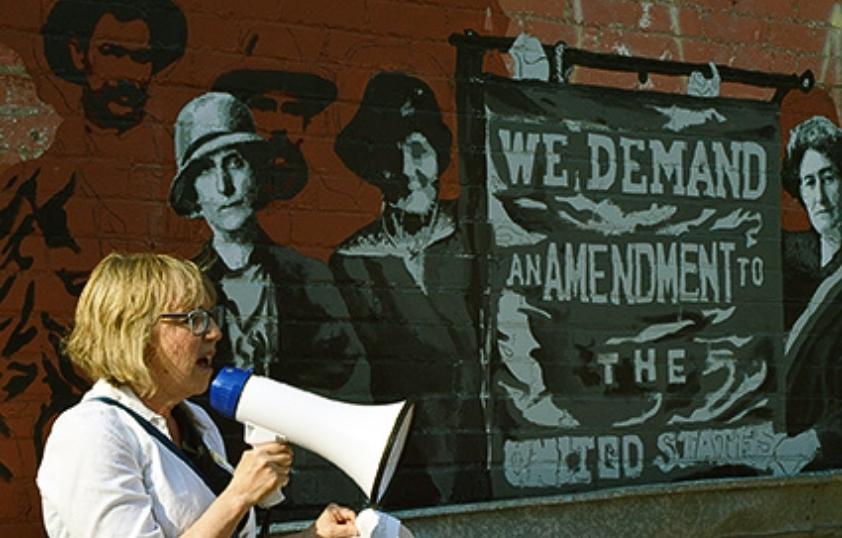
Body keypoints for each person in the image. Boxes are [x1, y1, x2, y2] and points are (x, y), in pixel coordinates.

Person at [35, 252, 358, 537]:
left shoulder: (195, 421)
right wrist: (239, 496)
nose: (215, 334)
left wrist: (313, 537)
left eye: (210, 318)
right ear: (136, 331)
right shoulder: (92, 433)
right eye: (194, 320)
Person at [329, 72, 487, 507]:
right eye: (389, 154)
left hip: (483, 448)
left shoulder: (474, 235)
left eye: (418, 151)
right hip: (408, 459)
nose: (406, 171)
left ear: (438, 155)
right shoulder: (353, 259)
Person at [779, 115, 842, 471]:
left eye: (829, 178)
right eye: (808, 182)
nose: (819, 196)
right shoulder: (791, 262)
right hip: (776, 456)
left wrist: (816, 440)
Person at [42, 0, 187, 133]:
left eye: (141, 57)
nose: (127, 73)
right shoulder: (56, 140)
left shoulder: (172, 150)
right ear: (78, 55)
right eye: (110, 52)